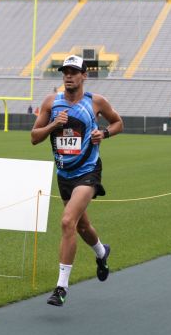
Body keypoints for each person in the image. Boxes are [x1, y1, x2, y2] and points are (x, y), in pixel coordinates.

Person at [31, 54, 123, 307]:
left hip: (88, 171)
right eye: (65, 72)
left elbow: (118, 123)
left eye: (74, 72)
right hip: (64, 175)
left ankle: (61, 287)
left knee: (67, 221)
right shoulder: (51, 103)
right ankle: (102, 253)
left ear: (84, 75)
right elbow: (34, 137)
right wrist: (52, 126)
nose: (68, 76)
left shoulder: (96, 102)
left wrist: (103, 133)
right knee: (81, 226)